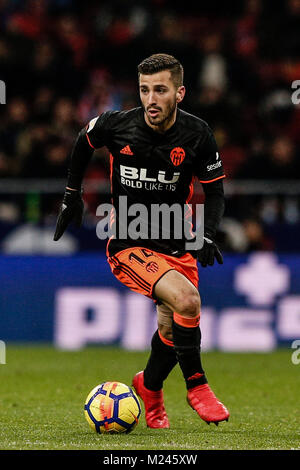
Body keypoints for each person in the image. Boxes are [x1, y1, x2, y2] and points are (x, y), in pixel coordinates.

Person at [54, 53, 229, 428]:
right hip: (129, 242)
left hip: (176, 244)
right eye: (145, 90)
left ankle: (148, 387)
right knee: (188, 299)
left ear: (179, 93)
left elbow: (215, 192)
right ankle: (197, 386)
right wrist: (72, 194)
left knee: (171, 328)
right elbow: (84, 141)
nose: (151, 99)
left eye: (160, 90)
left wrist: (208, 234)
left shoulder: (197, 134)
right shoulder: (118, 125)